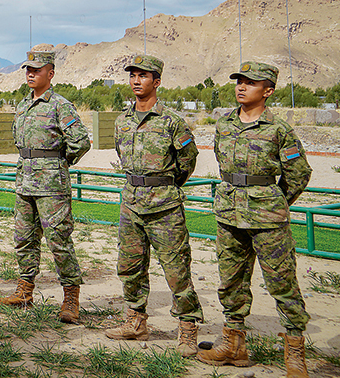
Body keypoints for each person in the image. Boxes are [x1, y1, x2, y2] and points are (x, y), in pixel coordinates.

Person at [198, 62, 313, 378]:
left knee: (283, 283)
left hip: (267, 220)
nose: (241, 86)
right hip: (229, 215)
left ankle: (295, 352)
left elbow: (299, 174)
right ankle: (234, 346)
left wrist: (274, 202)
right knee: (231, 282)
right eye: (239, 81)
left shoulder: (279, 130)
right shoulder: (224, 125)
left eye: (251, 82)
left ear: (269, 91)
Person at [104, 55, 203, 357]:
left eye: (143, 76)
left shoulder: (172, 122)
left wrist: (165, 186)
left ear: (156, 82)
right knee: (130, 266)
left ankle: (187, 327)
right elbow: (122, 154)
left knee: (176, 269)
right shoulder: (121, 120)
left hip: (164, 207)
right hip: (131, 203)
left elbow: (187, 162)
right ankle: (136, 321)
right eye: (132, 75)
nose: (136, 80)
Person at [0, 49, 90, 323]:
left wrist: (59, 164)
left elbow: (81, 142)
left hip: (52, 187)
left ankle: (71, 299)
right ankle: (25, 291)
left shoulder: (60, 105)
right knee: (24, 239)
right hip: (25, 182)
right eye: (28, 69)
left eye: (36, 70)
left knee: (59, 242)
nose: (30, 74)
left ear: (50, 73)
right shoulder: (23, 105)